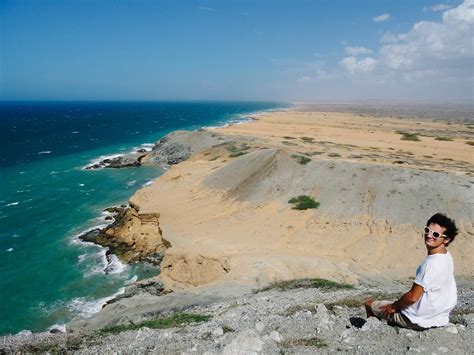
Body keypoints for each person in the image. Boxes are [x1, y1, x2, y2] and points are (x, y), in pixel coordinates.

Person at [365, 213, 458, 331]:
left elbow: (412, 297)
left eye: (435, 234)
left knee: (369, 304)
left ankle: (371, 331)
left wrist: (394, 307)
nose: (429, 235)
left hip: (416, 319)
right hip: (440, 317)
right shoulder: (446, 256)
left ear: (447, 239)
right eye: (427, 230)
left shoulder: (431, 264)